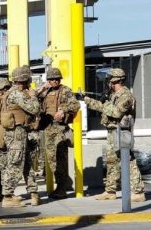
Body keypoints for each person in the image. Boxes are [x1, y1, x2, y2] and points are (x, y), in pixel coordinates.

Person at [84, 68, 146, 202]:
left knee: (128, 160)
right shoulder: (114, 95)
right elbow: (105, 107)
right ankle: (110, 191)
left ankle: (138, 191)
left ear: (114, 81)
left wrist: (103, 105)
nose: (108, 83)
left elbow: (116, 112)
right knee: (112, 161)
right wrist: (88, 101)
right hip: (113, 132)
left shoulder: (126, 96)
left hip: (122, 132)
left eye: (109, 80)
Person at [36, 67, 80, 199]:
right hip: (47, 128)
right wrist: (42, 90)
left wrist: (62, 110)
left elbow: (75, 104)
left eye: (56, 79)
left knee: (60, 159)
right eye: (51, 79)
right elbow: (32, 101)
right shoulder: (44, 91)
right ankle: (59, 186)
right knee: (50, 160)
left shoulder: (65, 90)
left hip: (60, 129)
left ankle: (61, 188)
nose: (54, 81)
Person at [0, 65, 40, 208]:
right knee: (15, 163)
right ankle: (8, 196)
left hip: (20, 132)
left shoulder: (13, 92)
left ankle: (33, 192)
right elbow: (34, 109)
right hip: (16, 133)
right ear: (24, 79)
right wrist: (34, 95)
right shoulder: (17, 93)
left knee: (27, 164)